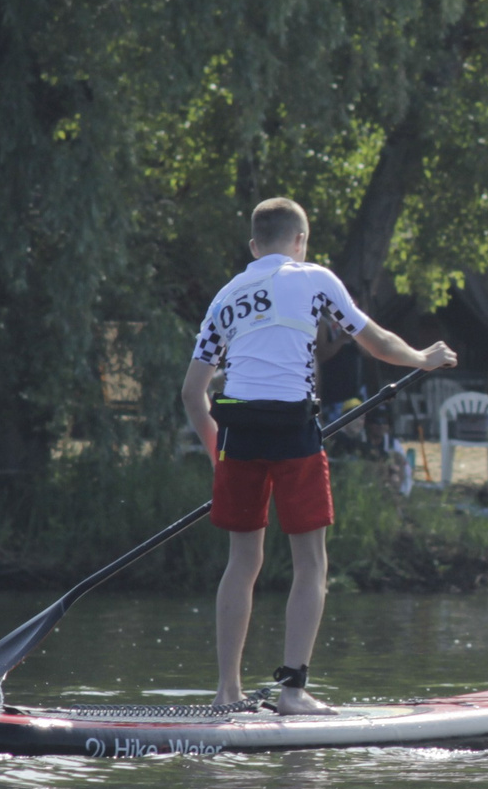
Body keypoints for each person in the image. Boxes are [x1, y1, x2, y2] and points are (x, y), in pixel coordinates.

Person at [183, 197, 457, 715]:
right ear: (301, 242)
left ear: (253, 246)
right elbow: (373, 341)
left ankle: (227, 692)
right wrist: (423, 358)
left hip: (237, 432)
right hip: (292, 430)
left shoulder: (226, 296)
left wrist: (217, 454)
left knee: (242, 562)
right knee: (310, 562)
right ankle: (292, 692)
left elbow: (193, 393)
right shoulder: (314, 278)